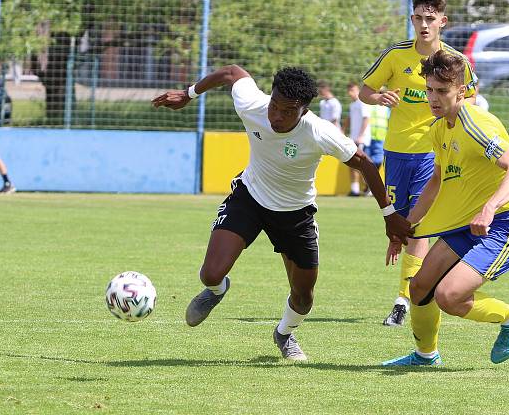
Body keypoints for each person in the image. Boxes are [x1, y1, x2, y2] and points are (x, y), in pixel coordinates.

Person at [151, 65, 411, 361]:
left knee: (303, 297)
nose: (276, 116)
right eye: (274, 105)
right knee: (210, 274)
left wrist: (389, 215)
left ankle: (284, 334)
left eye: (287, 111)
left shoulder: (319, 131)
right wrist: (188, 94)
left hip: (296, 214)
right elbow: (232, 73)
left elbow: (365, 164)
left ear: (303, 110)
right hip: (250, 198)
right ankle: (218, 290)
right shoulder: (254, 105)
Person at [383, 50, 509, 366]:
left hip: (506, 222)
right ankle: (426, 356)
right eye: (429, 90)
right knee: (420, 285)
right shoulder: (439, 127)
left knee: (449, 296)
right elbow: (436, 181)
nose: (433, 98)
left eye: (442, 91)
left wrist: (490, 208)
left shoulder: (476, 124)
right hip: (469, 222)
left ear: (462, 91)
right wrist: (405, 227)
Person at [360, 0, 478, 327]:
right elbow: (365, 91)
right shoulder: (396, 56)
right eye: (418, 18)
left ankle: (404, 299)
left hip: (434, 152)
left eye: (430, 19)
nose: (424, 24)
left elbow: (470, 96)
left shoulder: (455, 61)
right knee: (399, 224)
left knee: (417, 225)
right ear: (412, 20)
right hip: (397, 152)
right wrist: (378, 96)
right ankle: (418, 289)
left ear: (443, 22)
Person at [345, 82, 371, 196]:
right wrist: (343, 129)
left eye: (353, 90)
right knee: (352, 164)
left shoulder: (362, 103)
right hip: (353, 138)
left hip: (361, 139)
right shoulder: (352, 105)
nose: (351, 93)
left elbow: (366, 119)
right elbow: (350, 119)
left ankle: (369, 189)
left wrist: (361, 136)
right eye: (349, 91)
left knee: (361, 166)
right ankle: (355, 190)